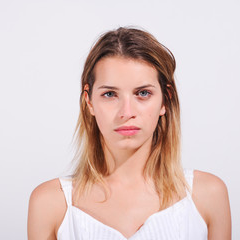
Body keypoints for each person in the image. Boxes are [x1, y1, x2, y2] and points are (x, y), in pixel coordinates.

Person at [27, 27, 231, 240]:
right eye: (109, 94)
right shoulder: (50, 204)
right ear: (89, 102)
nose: (127, 112)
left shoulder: (208, 196)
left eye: (143, 93)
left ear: (165, 100)